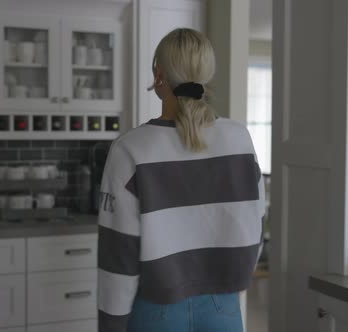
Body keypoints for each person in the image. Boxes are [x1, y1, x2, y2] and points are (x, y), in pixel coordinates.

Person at [97, 28, 265, 332]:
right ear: (205, 75)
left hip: (155, 311)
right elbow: (254, 223)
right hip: (223, 309)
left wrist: (111, 324)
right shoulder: (240, 139)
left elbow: (118, 251)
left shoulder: (131, 149)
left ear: (159, 74)